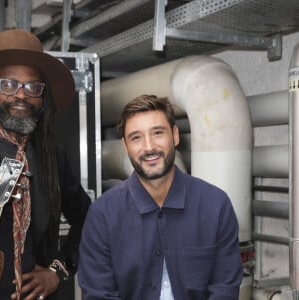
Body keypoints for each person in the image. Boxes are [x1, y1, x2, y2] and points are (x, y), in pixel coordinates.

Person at [78, 94, 243, 299]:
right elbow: (98, 295)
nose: (149, 147)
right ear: (125, 146)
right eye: (136, 137)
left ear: (174, 135)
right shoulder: (102, 215)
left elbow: (224, 290)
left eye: (157, 133)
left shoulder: (215, 205)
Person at [0, 29, 91, 300]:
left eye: (32, 87)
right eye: (8, 84)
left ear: (42, 97)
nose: (21, 95)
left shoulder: (52, 157)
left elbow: (88, 218)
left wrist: (59, 271)